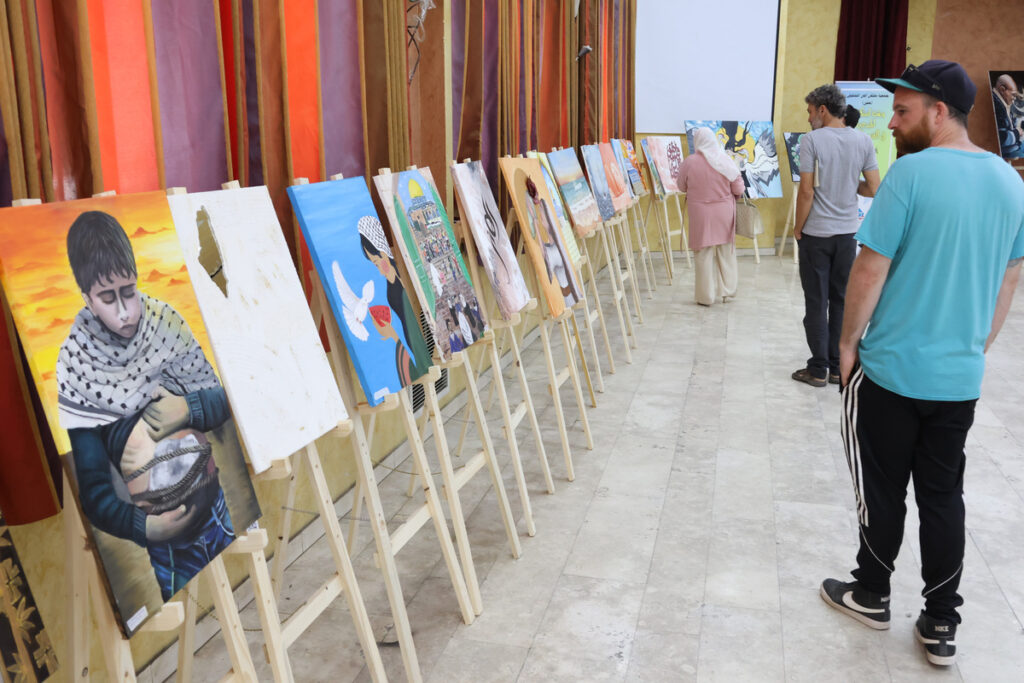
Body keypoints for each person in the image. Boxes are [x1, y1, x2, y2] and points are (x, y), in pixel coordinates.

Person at [820, 60, 1024, 666]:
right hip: (958, 379)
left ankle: (872, 593)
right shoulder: (1011, 183)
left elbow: (870, 268)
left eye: (902, 110)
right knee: (942, 495)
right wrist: (979, 344)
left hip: (890, 371)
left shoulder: (910, 175)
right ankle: (940, 622)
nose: (891, 121)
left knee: (881, 488)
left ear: (939, 111)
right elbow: (1010, 275)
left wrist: (847, 344)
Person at [57, 211, 236, 600]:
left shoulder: (164, 324)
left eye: (129, 291)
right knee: (186, 613)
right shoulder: (77, 367)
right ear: (86, 298)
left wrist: (188, 409)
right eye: (107, 298)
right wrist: (144, 528)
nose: (125, 310)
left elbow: (225, 401)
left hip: (216, 512)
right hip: (169, 552)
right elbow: (95, 493)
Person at [791, 84, 880, 387]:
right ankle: (836, 367)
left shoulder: (811, 141)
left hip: (816, 235)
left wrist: (798, 227)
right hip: (847, 236)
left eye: (810, 112)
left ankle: (817, 368)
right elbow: (874, 188)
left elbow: (806, 192)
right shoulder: (863, 140)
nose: (808, 118)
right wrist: (849, 184)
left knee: (816, 302)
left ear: (822, 109)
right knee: (840, 300)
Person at [676, 127, 745, 306]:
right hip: (724, 212)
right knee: (726, 251)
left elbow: (681, 186)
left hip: (700, 214)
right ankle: (728, 291)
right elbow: (738, 187)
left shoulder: (690, 162)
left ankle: (705, 297)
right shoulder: (725, 159)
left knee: (703, 254)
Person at [992, 73, 1024, 159]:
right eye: (1013, 94)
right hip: (1007, 153)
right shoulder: (996, 106)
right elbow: (1000, 138)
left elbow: (1011, 124)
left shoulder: (1003, 103)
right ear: (1002, 90)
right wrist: (1017, 133)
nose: (1014, 98)